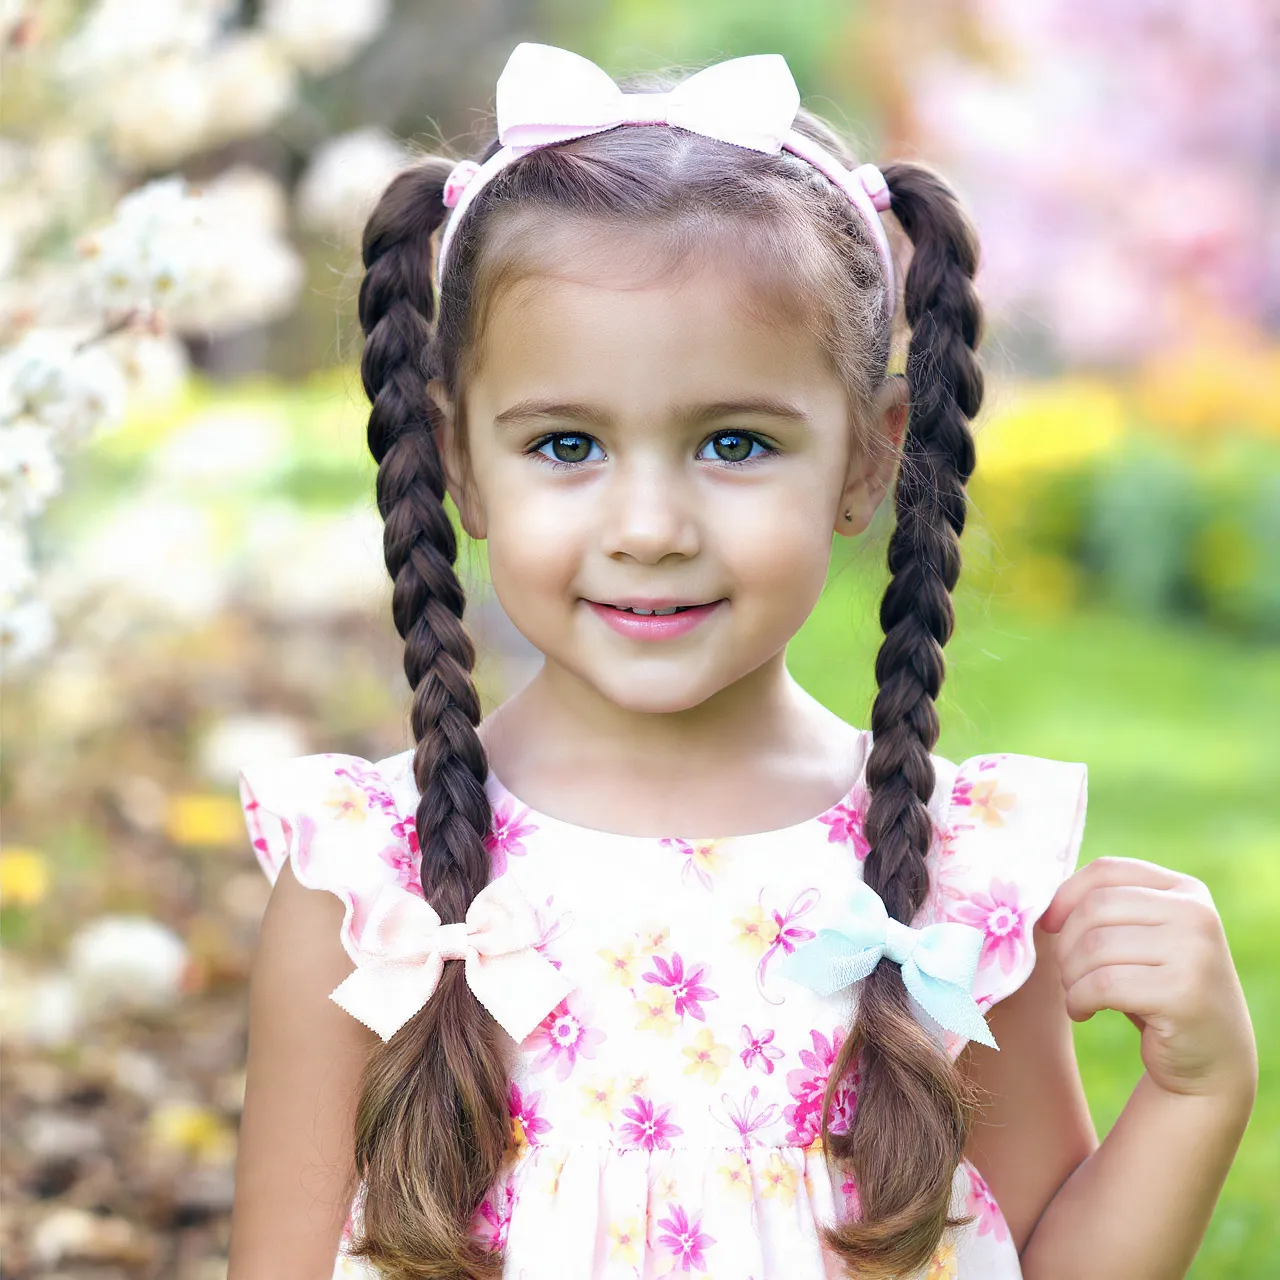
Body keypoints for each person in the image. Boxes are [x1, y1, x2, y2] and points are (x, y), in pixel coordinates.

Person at [226, 42, 1257, 1280]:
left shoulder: (942, 873)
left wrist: (1198, 1090)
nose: (650, 524)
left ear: (869, 459)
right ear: (456, 462)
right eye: (564, 444)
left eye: (731, 440)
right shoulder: (366, 882)